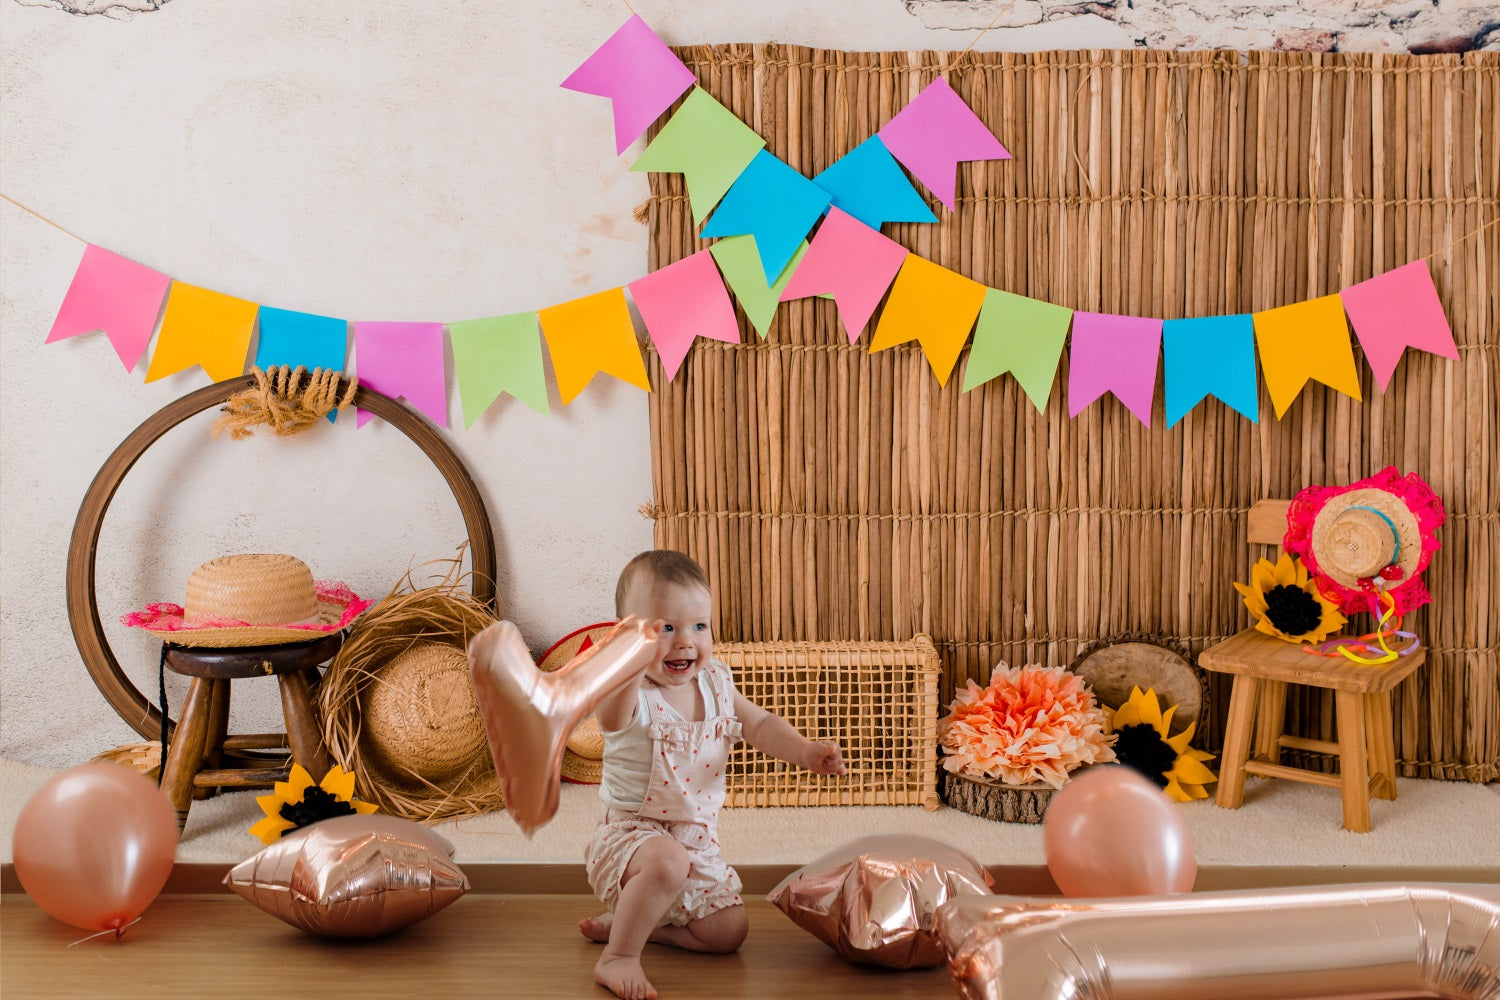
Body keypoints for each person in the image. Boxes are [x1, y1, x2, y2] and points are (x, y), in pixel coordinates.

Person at [580, 549, 846, 1000]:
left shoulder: (717, 682)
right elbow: (609, 718)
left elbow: (760, 724)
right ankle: (619, 956)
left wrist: (804, 750)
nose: (685, 641)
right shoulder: (633, 695)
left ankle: (642, 921)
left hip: (695, 840)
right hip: (632, 838)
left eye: (699, 626)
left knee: (728, 932)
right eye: (665, 628)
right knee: (667, 862)